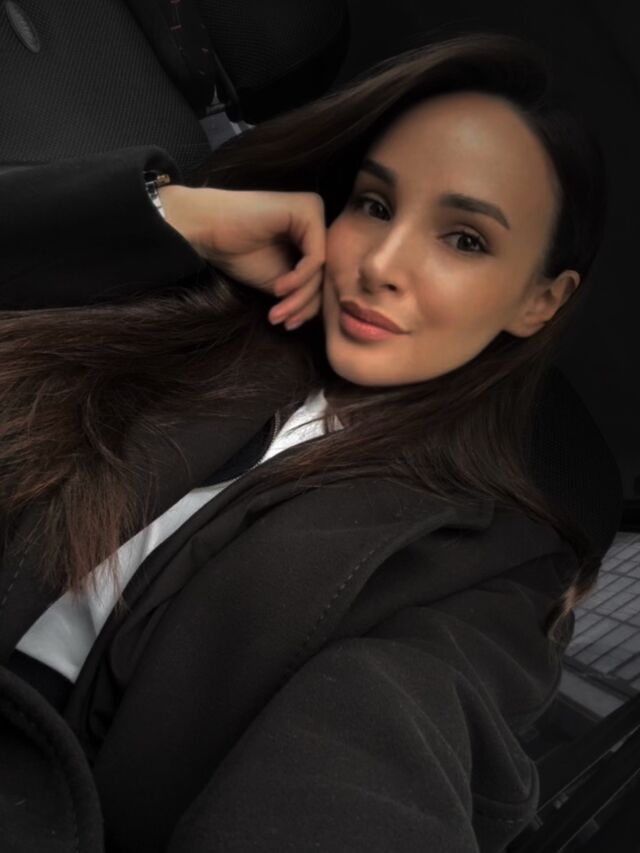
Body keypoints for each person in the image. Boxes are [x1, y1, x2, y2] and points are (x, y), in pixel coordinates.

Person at [0, 30, 607, 853]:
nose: (381, 263)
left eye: (465, 239)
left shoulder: (492, 567)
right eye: (376, 204)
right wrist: (172, 215)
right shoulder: (201, 299)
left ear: (540, 300)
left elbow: (379, 749)